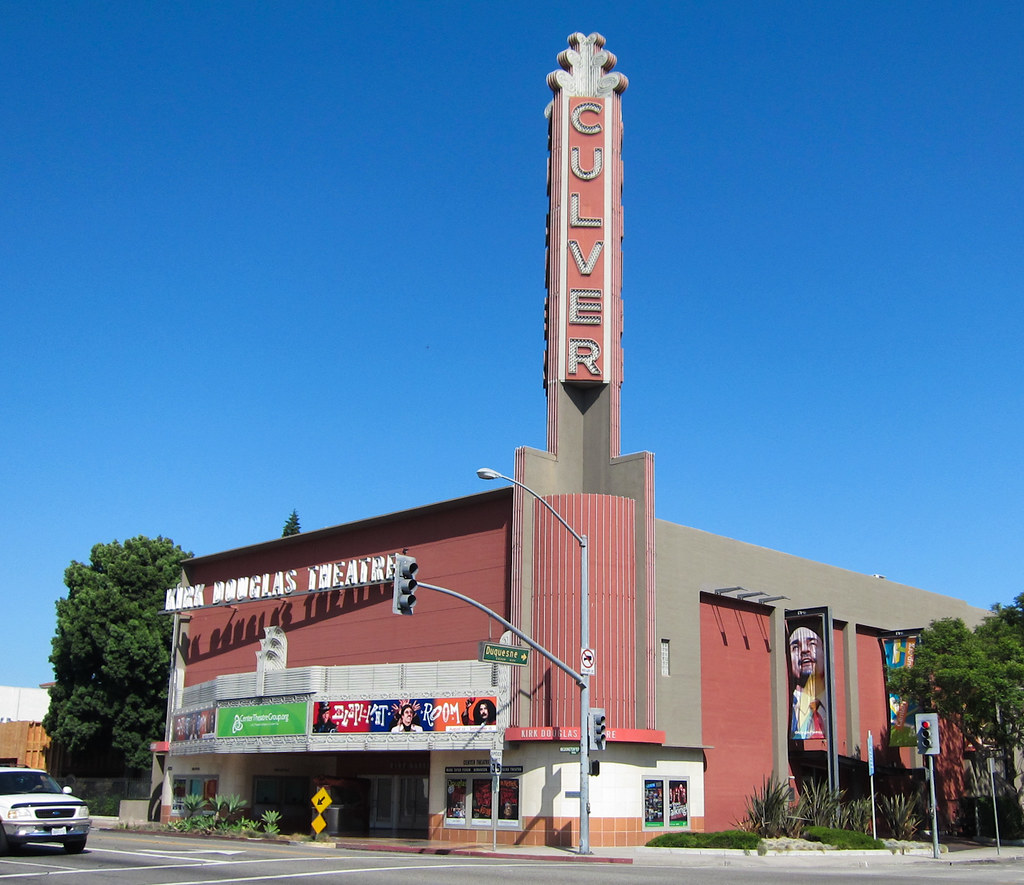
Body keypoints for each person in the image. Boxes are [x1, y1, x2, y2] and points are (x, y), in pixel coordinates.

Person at [789, 625, 826, 739]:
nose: (805, 650)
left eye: (812, 644)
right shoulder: (790, 708)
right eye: (795, 647)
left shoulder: (830, 706)